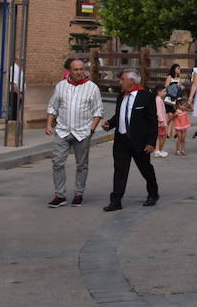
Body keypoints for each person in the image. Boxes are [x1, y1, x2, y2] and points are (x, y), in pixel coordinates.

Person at [44, 56, 105, 207]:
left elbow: (98, 111)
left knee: (82, 165)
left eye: (81, 69)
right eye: (76, 70)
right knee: (57, 163)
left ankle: (79, 194)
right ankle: (59, 195)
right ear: (69, 71)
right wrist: (48, 125)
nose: (79, 72)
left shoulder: (92, 88)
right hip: (63, 130)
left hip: (82, 132)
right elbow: (52, 106)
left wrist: (91, 129)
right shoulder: (61, 86)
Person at [101, 69, 159, 211]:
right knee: (120, 171)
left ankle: (153, 193)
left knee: (146, 169)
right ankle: (116, 200)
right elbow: (119, 115)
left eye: (122, 79)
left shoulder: (146, 96)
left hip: (140, 141)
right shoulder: (121, 96)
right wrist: (110, 124)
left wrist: (151, 142)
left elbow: (153, 121)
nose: (119, 82)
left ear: (132, 81)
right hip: (121, 140)